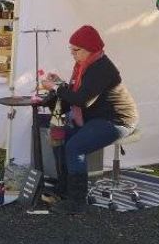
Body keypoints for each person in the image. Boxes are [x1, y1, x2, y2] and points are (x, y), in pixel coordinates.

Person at [41, 25, 139, 215]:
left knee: (75, 146)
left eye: (76, 50)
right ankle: (64, 190)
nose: (73, 54)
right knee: (59, 139)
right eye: (71, 50)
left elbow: (82, 100)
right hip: (97, 117)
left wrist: (55, 88)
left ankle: (77, 201)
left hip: (117, 120)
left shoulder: (102, 68)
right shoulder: (83, 66)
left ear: (90, 49)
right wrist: (61, 84)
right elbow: (77, 93)